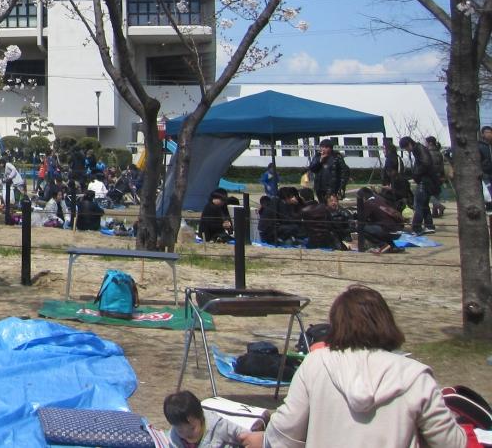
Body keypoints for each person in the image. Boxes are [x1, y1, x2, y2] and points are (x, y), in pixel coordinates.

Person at [262, 285, 465, 448]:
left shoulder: (316, 364)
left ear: (336, 324)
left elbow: (285, 431)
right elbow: (452, 443)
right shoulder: (414, 375)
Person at [164, 389, 262, 448]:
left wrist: (251, 439)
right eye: (180, 430)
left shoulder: (218, 426)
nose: (187, 434)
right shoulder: (174, 438)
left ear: (200, 417)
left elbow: (244, 435)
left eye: (192, 428)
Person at [399, 136, 439, 235]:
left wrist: (416, 174)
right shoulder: (419, 149)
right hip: (427, 180)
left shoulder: (419, 149)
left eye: (406, 148)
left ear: (409, 144)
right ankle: (429, 226)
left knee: (418, 205)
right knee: (424, 204)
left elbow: (426, 163)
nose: (407, 150)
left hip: (424, 180)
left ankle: (416, 228)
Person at [357, 187, 405, 254]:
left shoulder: (369, 203)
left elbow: (361, 220)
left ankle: (382, 245)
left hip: (388, 231)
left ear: (363, 197)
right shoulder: (380, 199)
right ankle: (392, 246)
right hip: (399, 230)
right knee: (382, 226)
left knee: (361, 228)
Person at [308, 139, 348, 203]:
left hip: (333, 188)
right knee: (322, 205)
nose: (323, 149)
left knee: (331, 205)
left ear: (331, 148)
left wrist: (341, 187)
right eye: (322, 147)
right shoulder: (317, 156)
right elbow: (312, 169)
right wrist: (320, 161)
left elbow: (344, 172)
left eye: (326, 147)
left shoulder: (336, 157)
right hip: (320, 188)